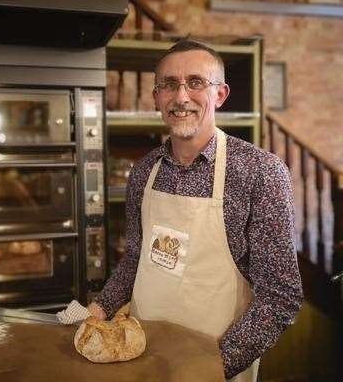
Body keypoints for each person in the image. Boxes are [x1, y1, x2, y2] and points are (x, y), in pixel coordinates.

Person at [87, 39, 303, 381]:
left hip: (215, 365)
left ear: (220, 94)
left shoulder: (259, 171)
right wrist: (98, 310)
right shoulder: (144, 171)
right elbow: (136, 258)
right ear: (157, 97)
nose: (181, 97)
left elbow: (281, 295)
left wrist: (213, 365)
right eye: (169, 85)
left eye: (196, 82)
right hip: (141, 357)